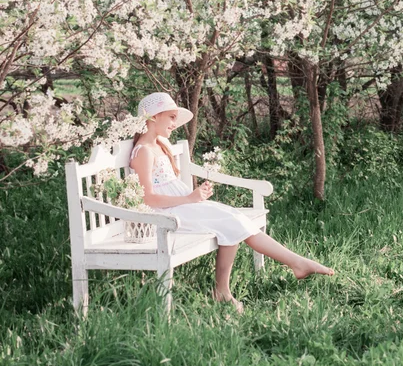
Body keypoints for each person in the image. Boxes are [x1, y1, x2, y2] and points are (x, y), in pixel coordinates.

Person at [130, 92, 334, 312]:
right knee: (230, 222)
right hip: (165, 214)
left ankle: (290, 265)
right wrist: (190, 198)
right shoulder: (144, 151)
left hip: (179, 205)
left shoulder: (159, 145)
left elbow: (168, 185)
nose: (174, 123)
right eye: (171, 117)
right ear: (153, 117)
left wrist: (196, 195)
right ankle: (232, 288)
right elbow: (147, 197)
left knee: (234, 218)